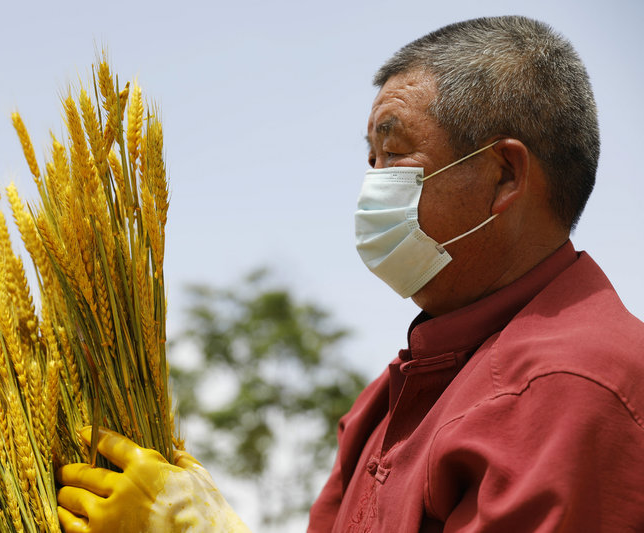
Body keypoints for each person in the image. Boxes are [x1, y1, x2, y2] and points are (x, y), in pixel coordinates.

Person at [51, 15, 644, 532]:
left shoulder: (566, 387)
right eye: (370, 159)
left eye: (395, 153)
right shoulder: (393, 396)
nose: (371, 185)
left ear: (504, 176)